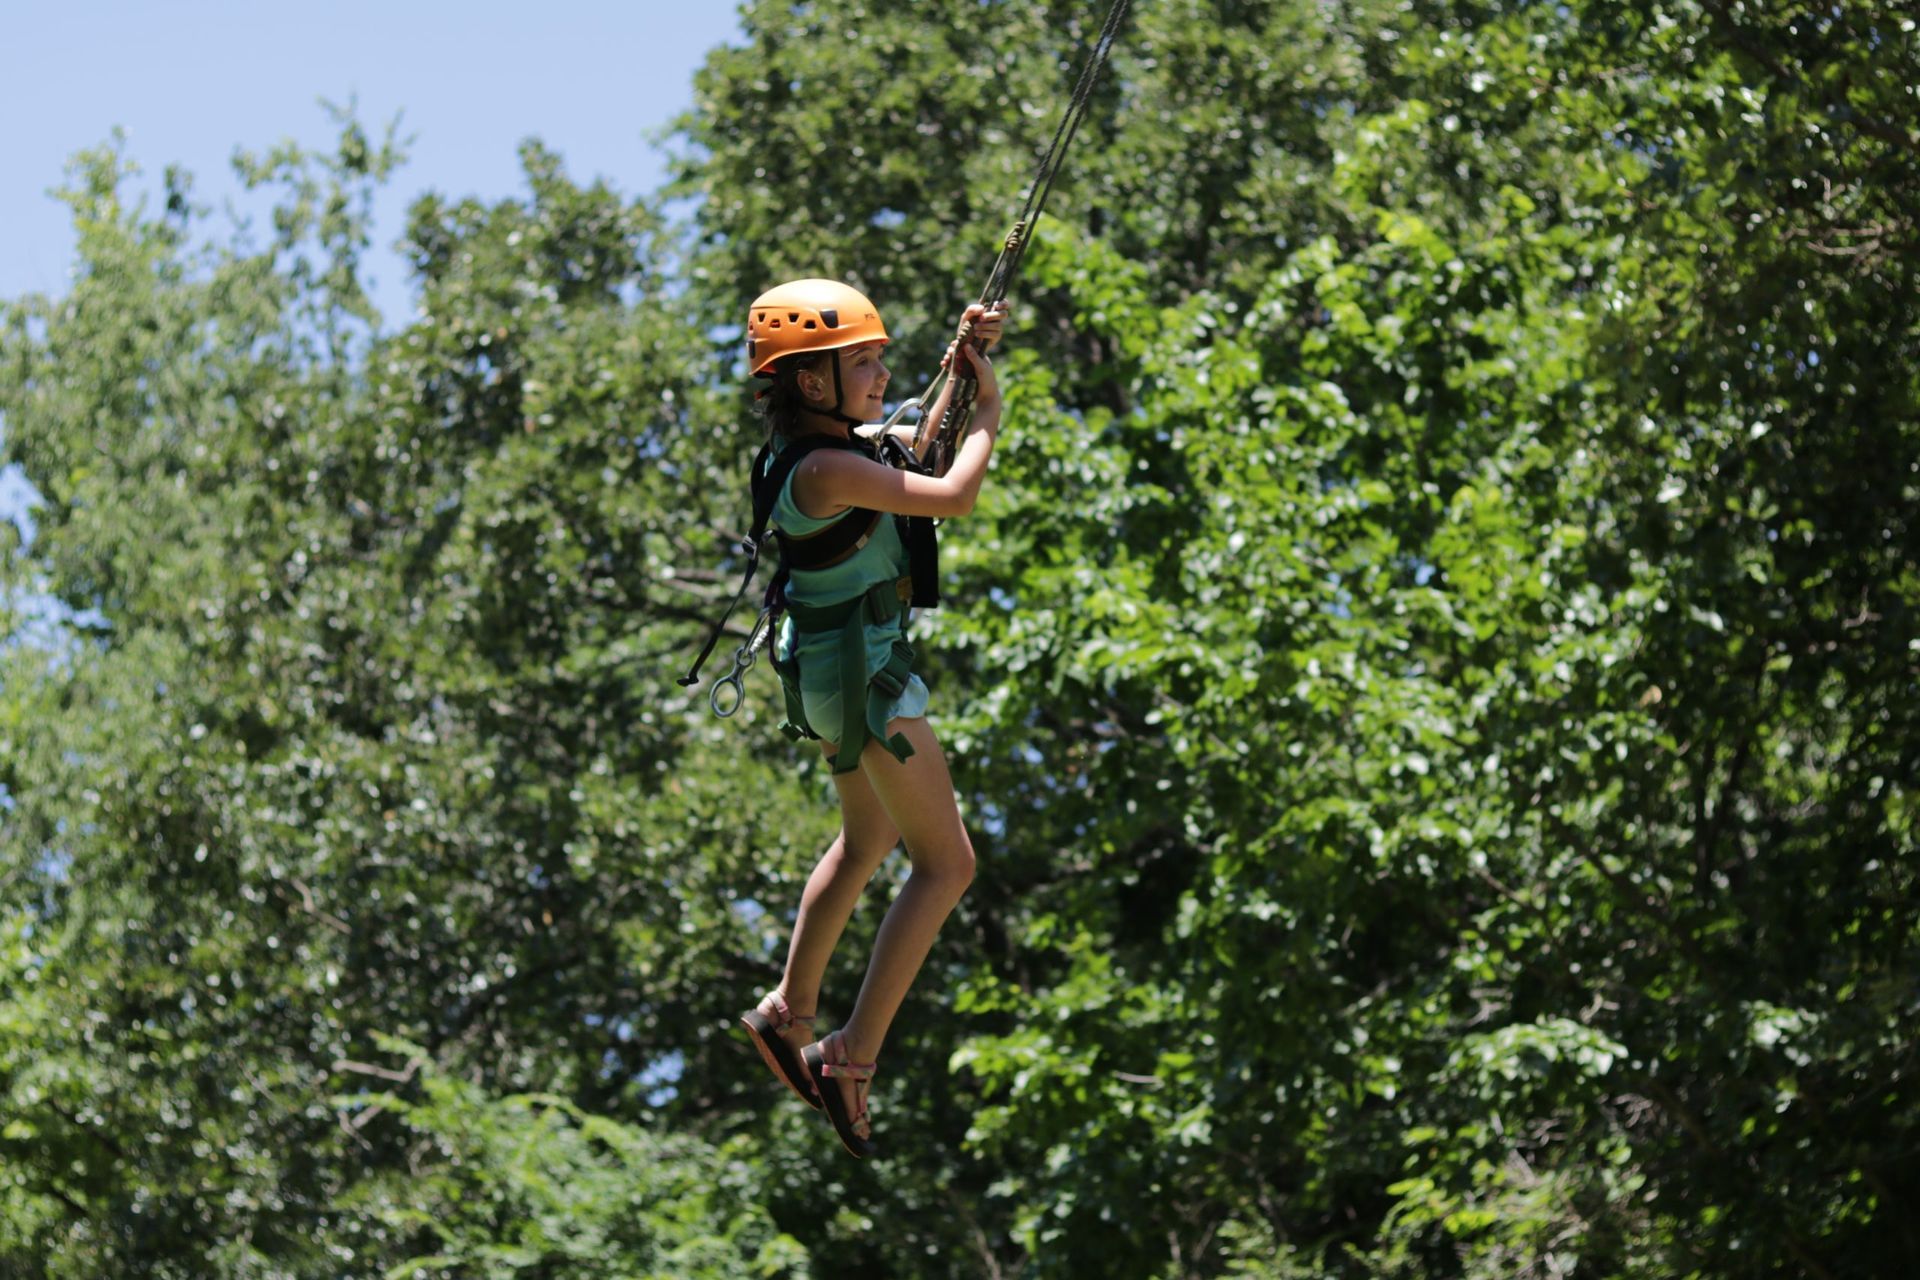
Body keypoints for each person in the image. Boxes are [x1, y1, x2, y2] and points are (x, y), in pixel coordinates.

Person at [735, 278, 1006, 1159]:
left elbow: (916, 444)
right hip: (867, 678)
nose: (881, 372)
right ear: (812, 385)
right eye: (863, 361)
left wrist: (962, 363)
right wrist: (989, 414)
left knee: (868, 843)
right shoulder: (827, 470)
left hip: (830, 671)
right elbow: (951, 489)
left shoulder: (818, 453)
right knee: (947, 864)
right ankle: (850, 1056)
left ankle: (788, 1008)